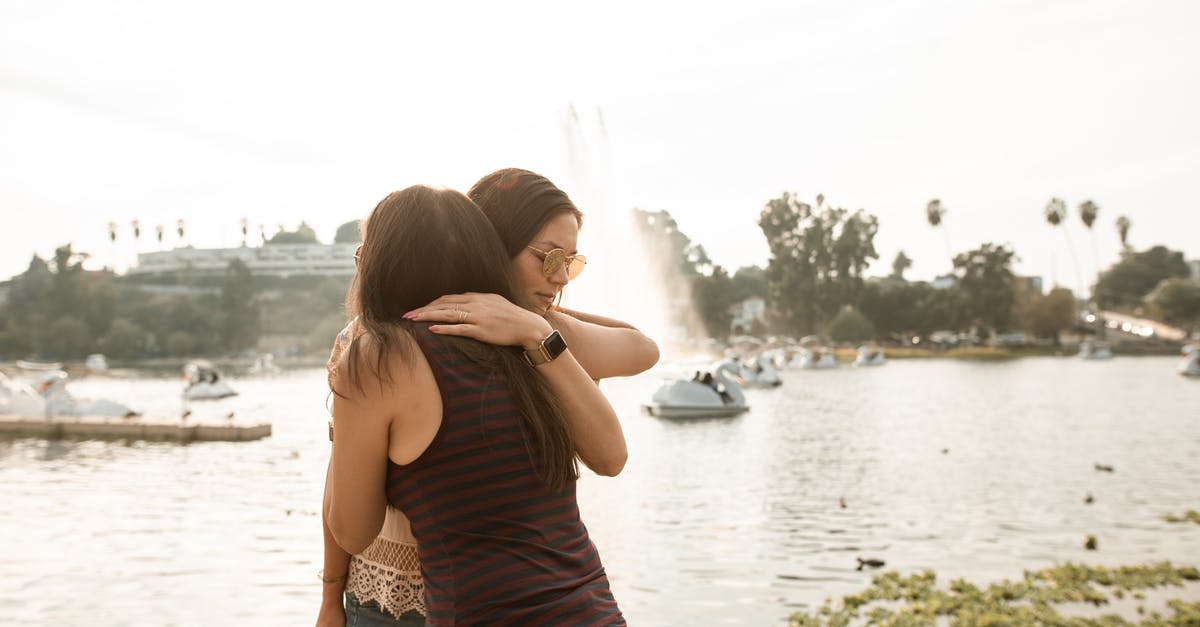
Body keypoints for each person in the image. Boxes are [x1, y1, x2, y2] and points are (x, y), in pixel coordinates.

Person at [317, 170, 657, 626]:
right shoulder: (533, 345)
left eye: (569, 262)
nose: (560, 278)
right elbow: (614, 454)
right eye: (549, 258)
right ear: (487, 249)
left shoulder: (375, 353)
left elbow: (351, 527)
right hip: (591, 611)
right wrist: (532, 324)